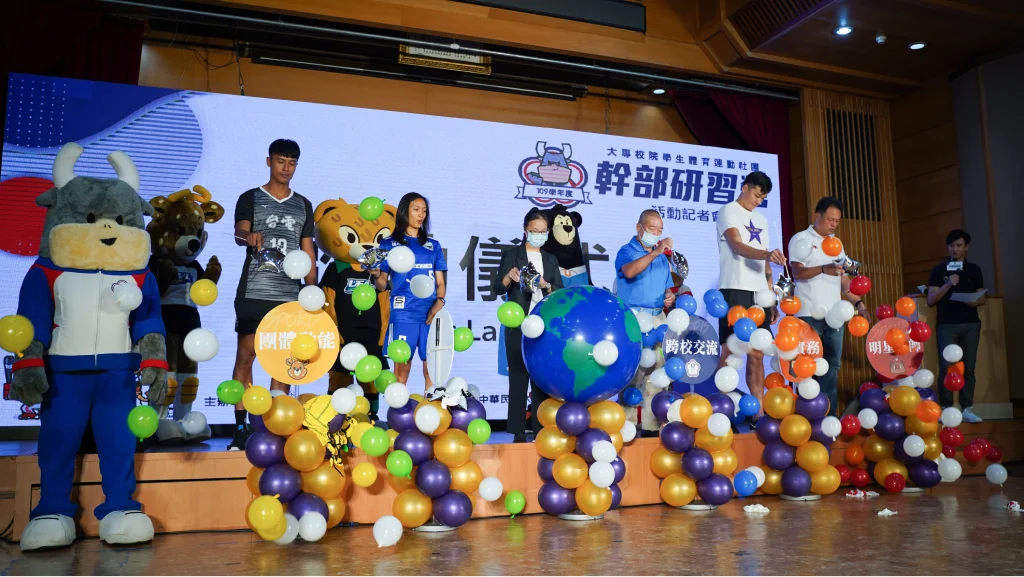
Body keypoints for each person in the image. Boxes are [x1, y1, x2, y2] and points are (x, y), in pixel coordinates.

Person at [229, 139, 318, 450]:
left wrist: (312, 289)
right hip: (255, 289)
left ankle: (274, 425)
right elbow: (239, 233)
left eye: (292, 163)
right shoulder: (250, 197)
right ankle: (241, 427)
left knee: (283, 360)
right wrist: (248, 236)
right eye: (281, 161)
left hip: (289, 294)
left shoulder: (303, 204)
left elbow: (307, 250)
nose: (286, 168)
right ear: (269, 161)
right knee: (247, 354)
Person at [788, 197, 870, 416]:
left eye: (837, 221)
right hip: (808, 315)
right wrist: (824, 268)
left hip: (834, 316)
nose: (833, 224)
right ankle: (805, 419)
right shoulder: (801, 239)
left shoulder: (837, 244)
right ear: (818, 216)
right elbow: (797, 273)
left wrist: (859, 304)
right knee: (806, 369)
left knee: (832, 367)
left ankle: (829, 419)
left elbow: (843, 280)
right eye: (830, 219)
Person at [716, 171, 787, 423]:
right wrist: (767, 254)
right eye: (756, 195)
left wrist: (771, 296)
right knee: (730, 349)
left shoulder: (762, 220)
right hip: (735, 288)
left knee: (757, 352)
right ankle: (721, 409)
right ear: (745, 187)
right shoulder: (728, 211)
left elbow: (766, 263)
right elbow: (737, 246)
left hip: (759, 293)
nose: (758, 201)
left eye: (763, 198)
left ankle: (758, 413)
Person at [494, 209, 563, 442]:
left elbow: (559, 292)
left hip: (543, 325)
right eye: (535, 231)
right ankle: (517, 431)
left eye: (543, 231)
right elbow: (497, 287)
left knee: (541, 378)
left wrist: (546, 285)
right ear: (525, 231)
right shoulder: (512, 255)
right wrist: (509, 276)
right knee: (518, 377)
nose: (539, 235)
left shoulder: (551, 259)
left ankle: (540, 427)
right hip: (518, 323)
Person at [374, 193, 447, 392]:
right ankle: (398, 411)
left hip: (430, 314)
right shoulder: (388, 244)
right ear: (404, 211)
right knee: (401, 372)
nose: (421, 215)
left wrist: (439, 302)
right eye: (416, 209)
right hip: (403, 313)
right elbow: (382, 285)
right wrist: (375, 273)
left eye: (424, 211)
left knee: (431, 371)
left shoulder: (433, 246)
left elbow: (440, 282)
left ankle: (430, 408)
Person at [615, 209, 676, 436]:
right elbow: (630, 272)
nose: (656, 234)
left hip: (658, 318)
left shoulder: (662, 258)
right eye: (652, 229)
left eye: (659, 230)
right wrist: (656, 251)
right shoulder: (627, 251)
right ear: (638, 228)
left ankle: (652, 425)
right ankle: (626, 425)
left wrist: (669, 295)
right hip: (634, 317)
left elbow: (667, 287)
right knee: (634, 372)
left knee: (658, 371)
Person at [927, 229, 985, 423]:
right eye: (951, 245)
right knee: (946, 367)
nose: (955, 249)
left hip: (970, 323)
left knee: (968, 368)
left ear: (966, 247)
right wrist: (948, 284)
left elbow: (982, 297)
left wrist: (975, 301)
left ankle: (967, 408)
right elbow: (931, 300)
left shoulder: (974, 269)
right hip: (947, 324)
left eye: (959, 245)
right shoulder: (939, 270)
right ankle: (945, 408)